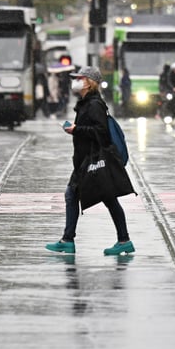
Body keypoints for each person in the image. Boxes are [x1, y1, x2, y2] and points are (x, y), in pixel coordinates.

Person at [46, 65, 135, 256]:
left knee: (87, 196)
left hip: (92, 160)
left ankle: (69, 240)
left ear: (89, 82)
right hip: (86, 160)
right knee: (97, 197)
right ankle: (120, 240)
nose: (75, 81)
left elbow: (101, 132)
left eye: (79, 78)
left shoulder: (94, 104)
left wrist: (76, 129)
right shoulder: (87, 102)